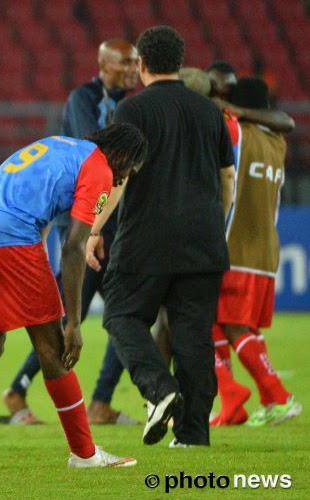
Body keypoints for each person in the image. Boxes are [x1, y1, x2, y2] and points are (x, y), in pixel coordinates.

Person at [0, 124, 146, 471]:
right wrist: (73, 321)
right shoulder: (100, 167)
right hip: (10, 236)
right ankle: (84, 454)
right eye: (128, 171)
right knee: (54, 347)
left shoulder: (61, 145)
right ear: (121, 156)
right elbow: (75, 246)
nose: (121, 179)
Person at [91, 26, 235, 448]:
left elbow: (117, 176)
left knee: (121, 315)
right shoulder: (210, 112)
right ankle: (192, 433)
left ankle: (159, 389)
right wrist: (216, 221)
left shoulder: (133, 111)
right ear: (179, 59)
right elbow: (227, 177)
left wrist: (95, 228)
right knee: (193, 336)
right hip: (204, 241)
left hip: (147, 240)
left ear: (143, 65)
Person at [0, 38, 140, 426]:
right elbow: (96, 152)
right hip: (83, 223)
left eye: (135, 63)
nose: (132, 69)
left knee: (120, 314)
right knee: (100, 314)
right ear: (104, 64)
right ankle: (26, 392)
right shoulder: (85, 99)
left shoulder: (128, 103)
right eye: (125, 63)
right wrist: (94, 228)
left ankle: (92, 400)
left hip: (112, 224)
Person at [208, 77, 302, 427]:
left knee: (229, 325)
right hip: (267, 250)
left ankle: (277, 395)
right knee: (221, 323)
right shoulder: (277, 141)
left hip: (236, 247)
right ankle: (240, 402)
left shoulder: (237, 132)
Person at [206, 60, 295, 133]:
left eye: (225, 95)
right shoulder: (198, 109)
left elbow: (288, 123)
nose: (218, 100)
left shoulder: (233, 115)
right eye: (214, 92)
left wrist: (240, 112)